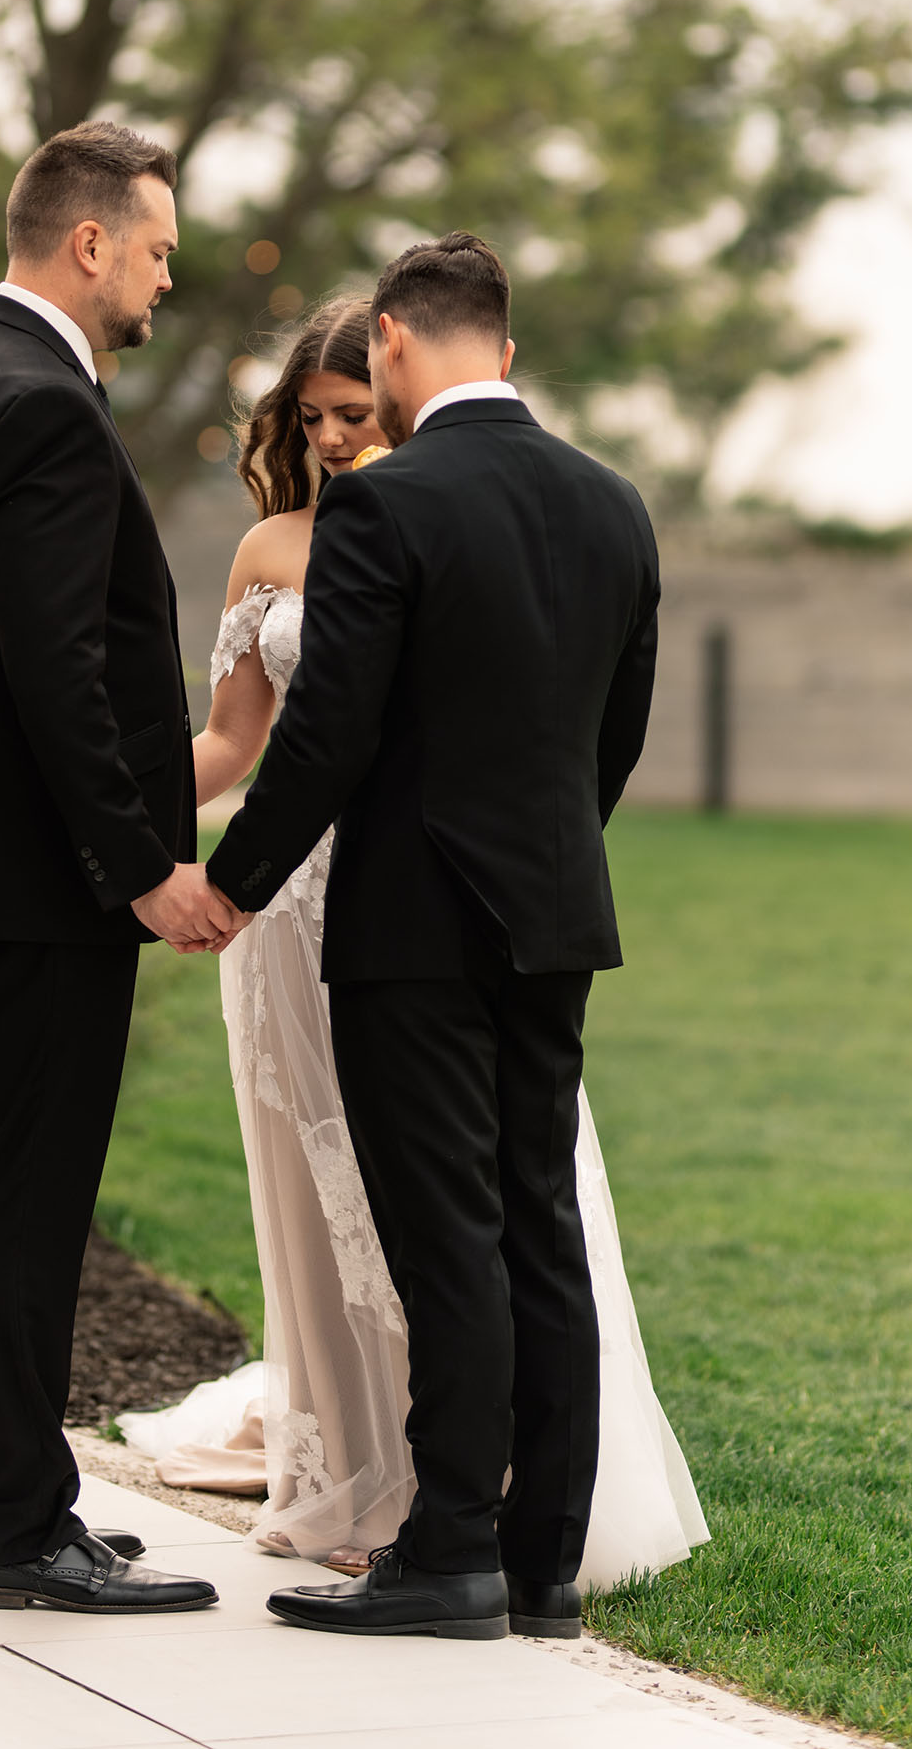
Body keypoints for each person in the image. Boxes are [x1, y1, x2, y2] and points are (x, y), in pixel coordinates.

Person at [166, 233, 698, 1643]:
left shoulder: (390, 512)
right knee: (540, 1222)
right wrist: (547, 858)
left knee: (444, 1233)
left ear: (393, 343)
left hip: (406, 925)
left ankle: (451, 1550)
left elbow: (325, 737)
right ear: (504, 348)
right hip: (555, 916)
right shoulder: (616, 507)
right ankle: (545, 1569)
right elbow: (615, 735)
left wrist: (235, 884)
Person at [0, 120, 221, 1618]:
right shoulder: (41, 407)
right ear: (88, 243)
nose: (167, 274)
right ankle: (25, 1531)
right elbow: (54, 671)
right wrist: (141, 861)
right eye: (155, 247)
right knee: (23, 1196)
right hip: (44, 876)